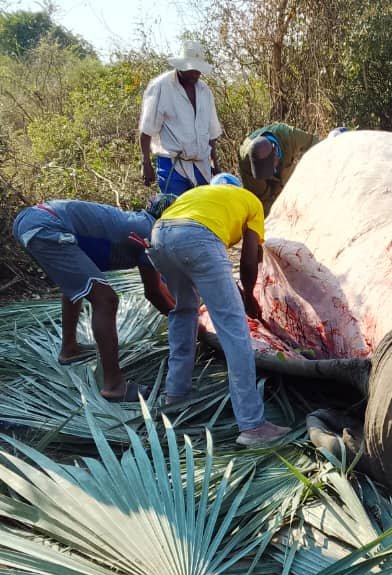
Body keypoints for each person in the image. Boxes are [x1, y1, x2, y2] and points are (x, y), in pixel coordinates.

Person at [148, 173, 291, 447]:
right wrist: (248, 296)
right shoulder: (249, 200)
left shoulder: (196, 194)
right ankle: (252, 425)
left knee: (184, 312)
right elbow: (248, 260)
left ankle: (175, 396)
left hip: (159, 235)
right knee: (234, 329)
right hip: (197, 237)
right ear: (237, 187)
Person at [12, 198, 175, 401]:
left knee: (78, 283)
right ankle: (114, 386)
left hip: (33, 221)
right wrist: (194, 324)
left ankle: (70, 349)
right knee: (106, 300)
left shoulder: (139, 224)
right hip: (46, 225)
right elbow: (154, 294)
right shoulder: (152, 233)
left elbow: (158, 286)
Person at [139, 40, 222, 196]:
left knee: (201, 209)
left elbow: (211, 133)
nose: (195, 74)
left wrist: (215, 165)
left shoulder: (204, 91)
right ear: (181, 66)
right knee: (176, 209)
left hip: (202, 166)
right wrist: (146, 163)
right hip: (172, 166)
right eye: (191, 69)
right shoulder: (161, 86)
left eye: (198, 70)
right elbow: (147, 129)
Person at [238, 122, 320, 212]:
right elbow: (261, 198)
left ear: (276, 153)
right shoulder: (245, 160)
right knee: (262, 206)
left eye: (269, 169)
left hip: (285, 175)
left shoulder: (289, 136)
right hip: (261, 187)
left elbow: (317, 144)